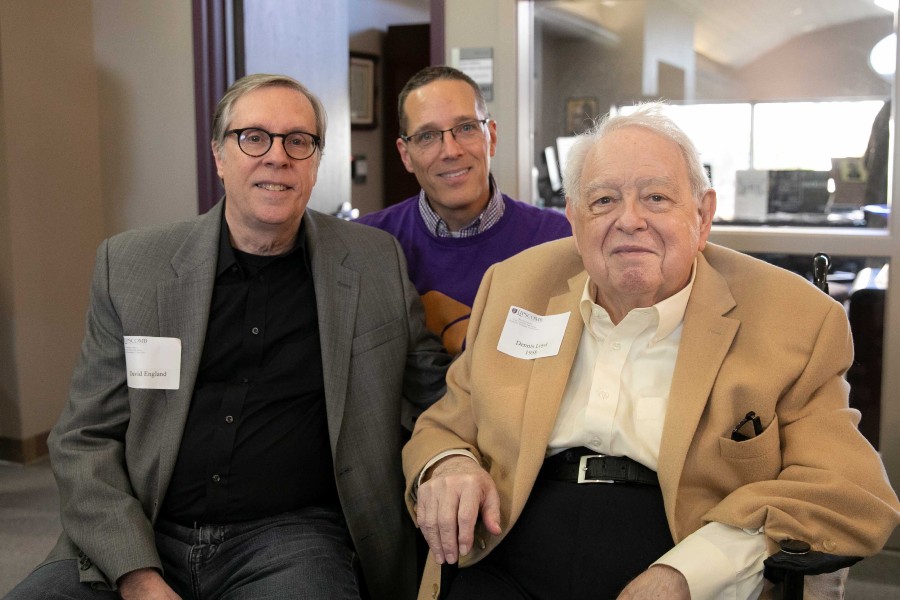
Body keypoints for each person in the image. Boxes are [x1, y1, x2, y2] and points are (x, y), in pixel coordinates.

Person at [402, 102, 900, 600]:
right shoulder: (514, 286)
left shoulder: (794, 318)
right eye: (603, 202)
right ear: (574, 220)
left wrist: (691, 573)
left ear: (703, 215)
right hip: (509, 540)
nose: (629, 221)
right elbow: (444, 424)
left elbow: (852, 492)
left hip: (680, 539)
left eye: (657, 197)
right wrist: (449, 464)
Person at [5, 74, 450, 600]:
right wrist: (136, 575)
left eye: (298, 141)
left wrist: (463, 459)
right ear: (219, 155)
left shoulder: (373, 262)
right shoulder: (131, 267)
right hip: (144, 525)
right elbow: (83, 439)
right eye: (253, 137)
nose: (277, 156)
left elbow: (434, 394)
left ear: (314, 161)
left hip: (291, 538)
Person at [357, 66, 571, 356]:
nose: (450, 151)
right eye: (427, 136)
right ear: (406, 155)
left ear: (491, 137)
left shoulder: (559, 240)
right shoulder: (368, 244)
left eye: (466, 128)